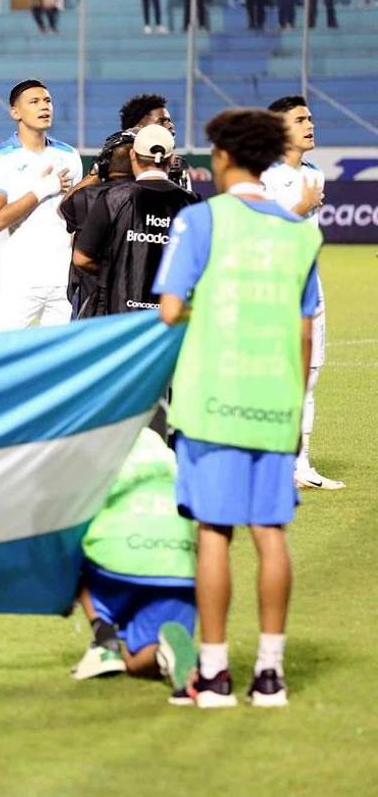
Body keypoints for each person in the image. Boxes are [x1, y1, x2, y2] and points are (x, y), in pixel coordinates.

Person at [154, 108, 322, 708]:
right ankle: (270, 674)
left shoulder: (201, 219)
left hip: (212, 399)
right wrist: (292, 408)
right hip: (274, 401)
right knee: (271, 534)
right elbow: (305, 332)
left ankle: (215, 673)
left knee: (214, 533)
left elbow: (169, 309)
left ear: (222, 156)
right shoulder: (301, 231)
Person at [71, 428, 198, 705]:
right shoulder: (154, 441)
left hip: (117, 562)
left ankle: (104, 638)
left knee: (65, 544)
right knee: (135, 661)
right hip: (179, 566)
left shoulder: (85, 441)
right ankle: (163, 653)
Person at [262, 96, 343, 490]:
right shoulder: (263, 175)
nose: (310, 125)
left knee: (309, 377)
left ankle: (301, 465)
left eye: (310, 118)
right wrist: (300, 206)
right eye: (299, 120)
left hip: (310, 288)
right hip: (273, 289)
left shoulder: (315, 173)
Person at [0, 79, 80, 331]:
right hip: (18, 282)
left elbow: (77, 219)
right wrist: (44, 188)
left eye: (47, 101)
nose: (44, 106)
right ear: (15, 112)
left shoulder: (69, 155)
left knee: (61, 353)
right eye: (34, 102)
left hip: (62, 283)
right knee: (2, 352)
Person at [73, 125, 200, 317]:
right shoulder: (191, 203)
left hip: (119, 314)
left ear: (133, 155)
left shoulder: (111, 198)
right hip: (170, 314)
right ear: (171, 159)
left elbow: (81, 259)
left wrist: (113, 273)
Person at [60, 130, 136, 320]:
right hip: (138, 294)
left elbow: (65, 207)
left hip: (91, 297)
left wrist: (95, 172)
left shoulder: (86, 197)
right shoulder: (152, 196)